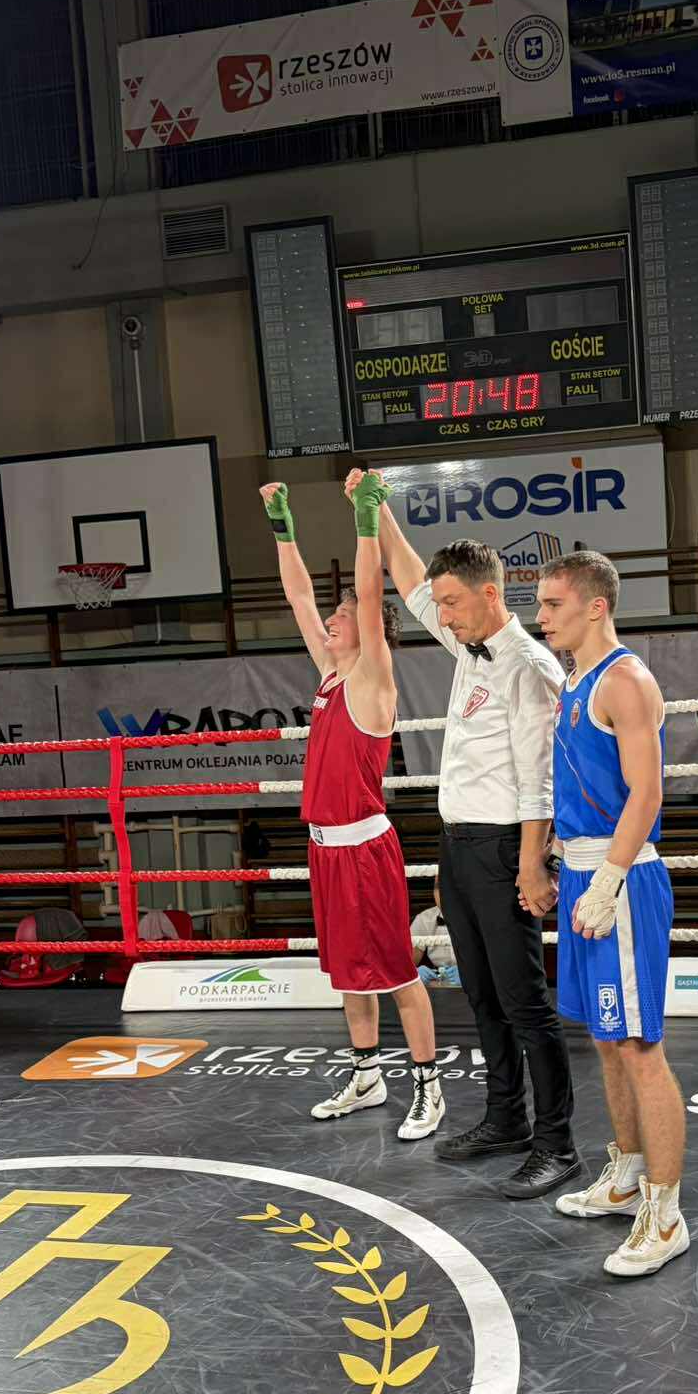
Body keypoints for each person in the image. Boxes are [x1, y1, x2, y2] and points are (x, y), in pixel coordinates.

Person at [366, 476, 580, 1200]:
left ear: (491, 595)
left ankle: (557, 1144)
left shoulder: (529, 665)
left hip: (506, 848)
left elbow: (540, 780)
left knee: (525, 1003)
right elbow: (410, 582)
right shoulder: (469, 646)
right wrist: (376, 510)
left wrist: (532, 864)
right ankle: (506, 1120)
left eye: (453, 602)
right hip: (460, 847)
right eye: (442, 603)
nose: (443, 614)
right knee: (482, 997)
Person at [259, 473, 444, 1141]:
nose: (330, 622)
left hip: (366, 849)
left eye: (341, 618)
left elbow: (367, 595)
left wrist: (367, 520)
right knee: (349, 975)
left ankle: (428, 1088)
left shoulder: (371, 678)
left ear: (363, 631)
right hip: (325, 852)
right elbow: (298, 595)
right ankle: (367, 1077)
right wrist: (282, 529)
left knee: (395, 972)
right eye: (332, 619)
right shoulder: (330, 675)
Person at [534, 550, 688, 1277]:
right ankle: (626, 1178)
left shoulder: (625, 680)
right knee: (605, 1037)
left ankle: (667, 1213)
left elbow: (646, 793)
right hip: (582, 872)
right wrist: (558, 864)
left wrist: (610, 879)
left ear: (596, 606)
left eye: (552, 604)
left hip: (619, 878)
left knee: (639, 1047)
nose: (541, 617)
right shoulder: (574, 682)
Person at [410, 879, 460, 987]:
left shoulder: (480, 918)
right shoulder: (424, 919)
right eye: (438, 887)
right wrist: (413, 975)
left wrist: (473, 974)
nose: (443, 892)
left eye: (450, 885)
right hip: (437, 985)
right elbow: (405, 965)